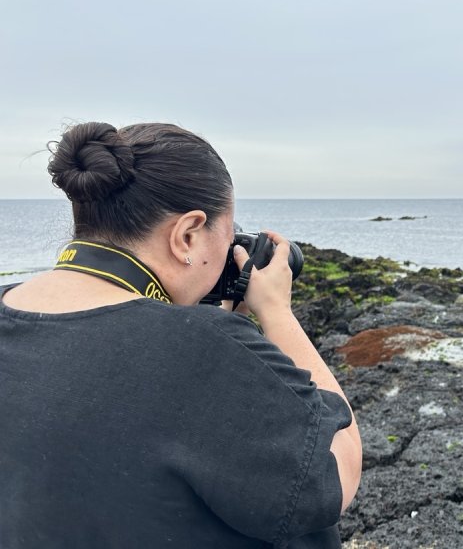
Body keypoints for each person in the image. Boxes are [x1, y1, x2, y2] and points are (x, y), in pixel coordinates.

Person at [0, 122, 362, 548]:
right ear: (187, 234)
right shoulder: (202, 348)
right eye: (226, 236)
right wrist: (276, 312)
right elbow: (337, 468)